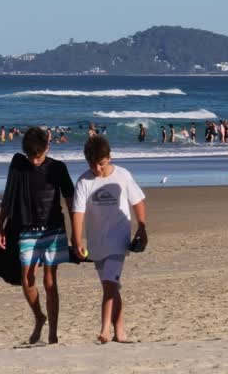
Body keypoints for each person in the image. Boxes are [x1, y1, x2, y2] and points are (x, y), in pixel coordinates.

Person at [0, 127, 75, 345]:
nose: (34, 161)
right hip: (26, 229)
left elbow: (70, 200)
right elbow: (8, 193)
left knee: (50, 282)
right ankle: (40, 317)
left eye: (38, 156)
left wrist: (77, 235)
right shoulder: (19, 166)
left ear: (47, 148)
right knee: (27, 279)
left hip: (54, 229)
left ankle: (53, 333)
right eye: (31, 156)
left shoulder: (58, 168)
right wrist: (0, 224)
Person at [71, 136, 147, 344]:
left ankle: (104, 329)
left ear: (109, 158)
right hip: (96, 242)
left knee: (110, 283)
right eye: (92, 164)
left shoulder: (122, 175)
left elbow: (138, 202)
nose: (97, 168)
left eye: (101, 163)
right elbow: (78, 212)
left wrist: (142, 227)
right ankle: (120, 332)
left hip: (118, 240)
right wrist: (77, 240)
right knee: (110, 288)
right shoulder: (84, 181)